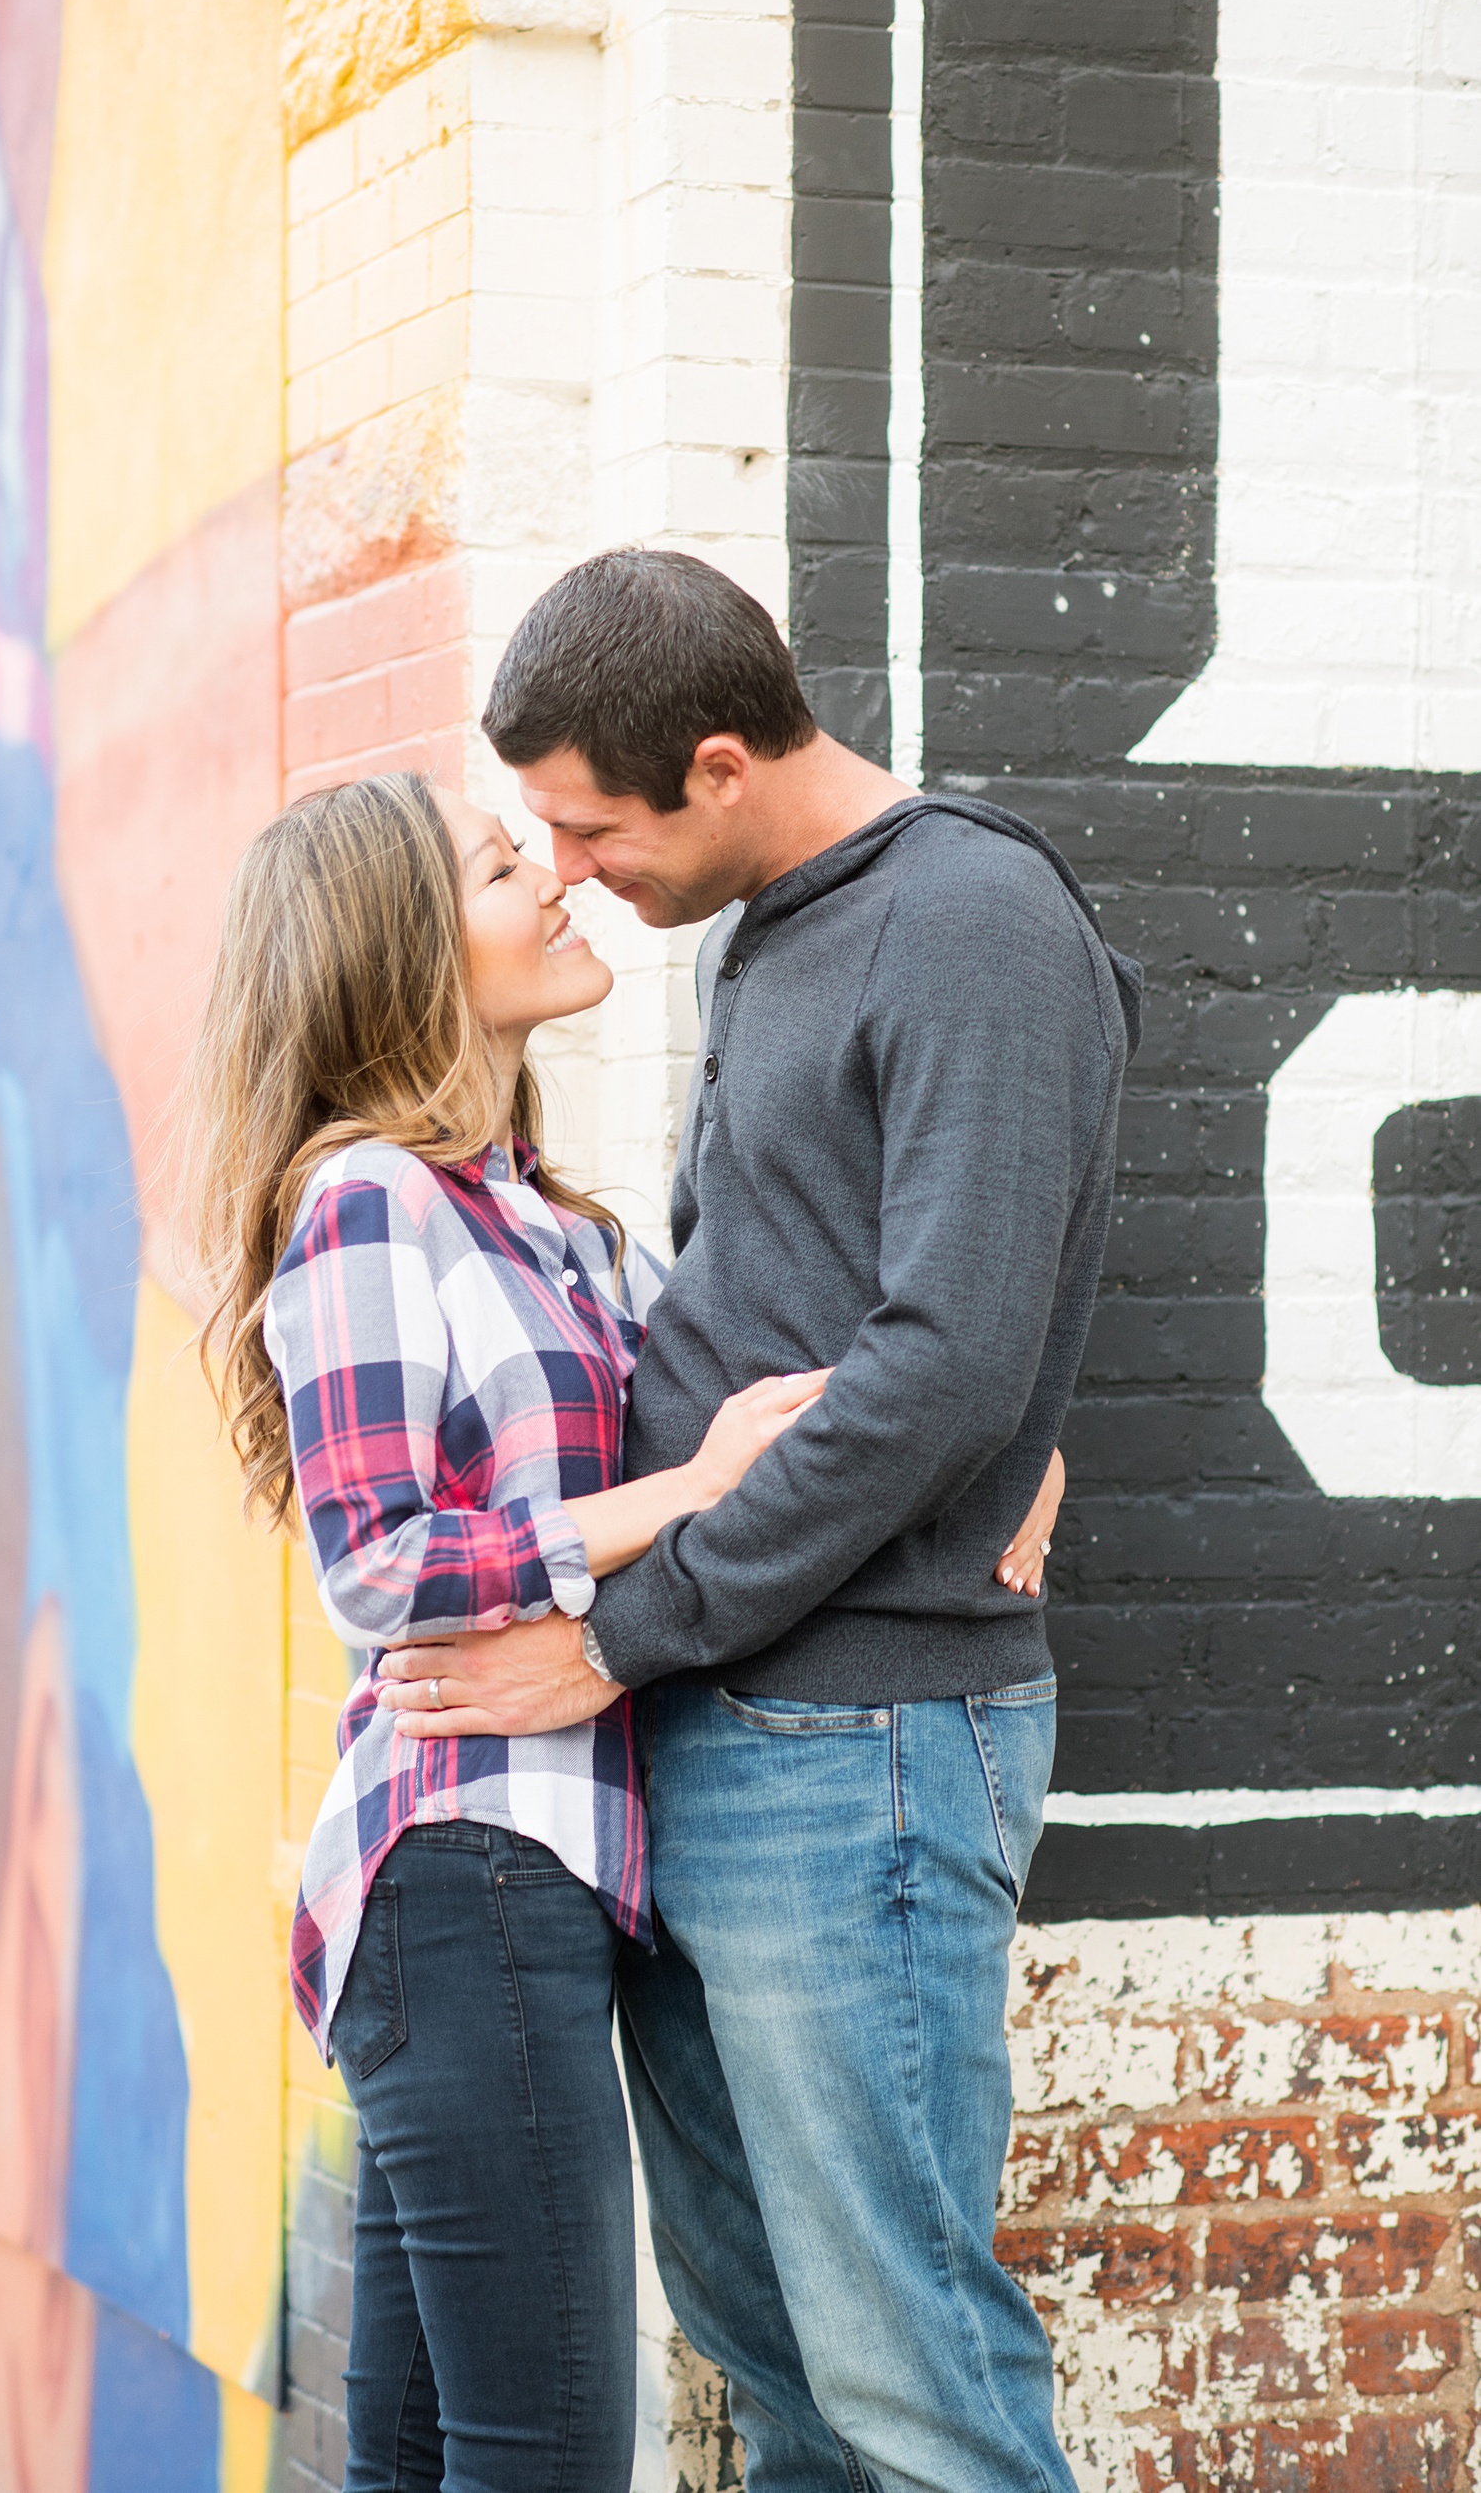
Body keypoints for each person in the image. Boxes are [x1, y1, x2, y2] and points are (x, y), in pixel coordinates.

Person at [185, 768, 1066, 2493]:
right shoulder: (369, 1201)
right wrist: (671, 1503)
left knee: (432, 2439)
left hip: (560, 1869)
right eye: (509, 865)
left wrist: (1008, 1439)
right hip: (461, 1863)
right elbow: (378, 1569)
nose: (560, 885)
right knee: (549, 2446)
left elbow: (818, 1396)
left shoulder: (565, 1230)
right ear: (400, 952)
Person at [376, 549, 1141, 2493]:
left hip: (860, 1740)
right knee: (773, 2360)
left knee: (910, 2375)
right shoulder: (766, 931)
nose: (572, 872)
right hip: (712, 1724)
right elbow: (823, 1318)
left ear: (717, 764)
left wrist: (619, 1624)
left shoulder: (968, 918)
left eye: (590, 826)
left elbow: (951, 1347)